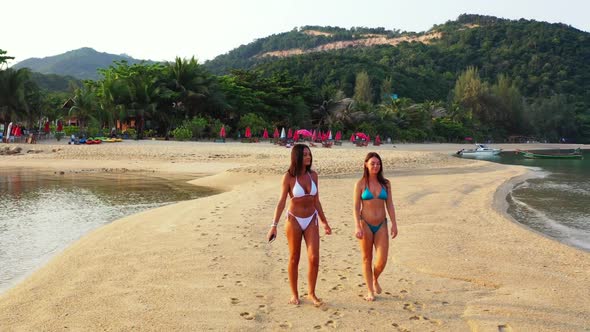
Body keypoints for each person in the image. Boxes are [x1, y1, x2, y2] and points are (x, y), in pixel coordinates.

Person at [267, 143, 332, 305]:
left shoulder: (314, 175)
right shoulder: (288, 177)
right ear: (296, 157)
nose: (308, 157)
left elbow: (316, 200)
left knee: (314, 257)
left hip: (311, 219)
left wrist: (324, 222)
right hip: (294, 219)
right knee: (294, 257)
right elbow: (282, 202)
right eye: (305, 155)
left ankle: (311, 293)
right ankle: (294, 294)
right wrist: (273, 225)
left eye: (309, 154)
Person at [353, 152, 398, 301]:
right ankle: (370, 290)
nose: (376, 166)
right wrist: (357, 226)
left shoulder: (386, 183)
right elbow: (355, 207)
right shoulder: (360, 184)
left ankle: (374, 278)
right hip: (365, 223)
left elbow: (389, 204)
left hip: (381, 225)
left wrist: (394, 224)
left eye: (378, 163)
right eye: (372, 163)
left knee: (382, 259)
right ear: (366, 164)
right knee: (367, 258)